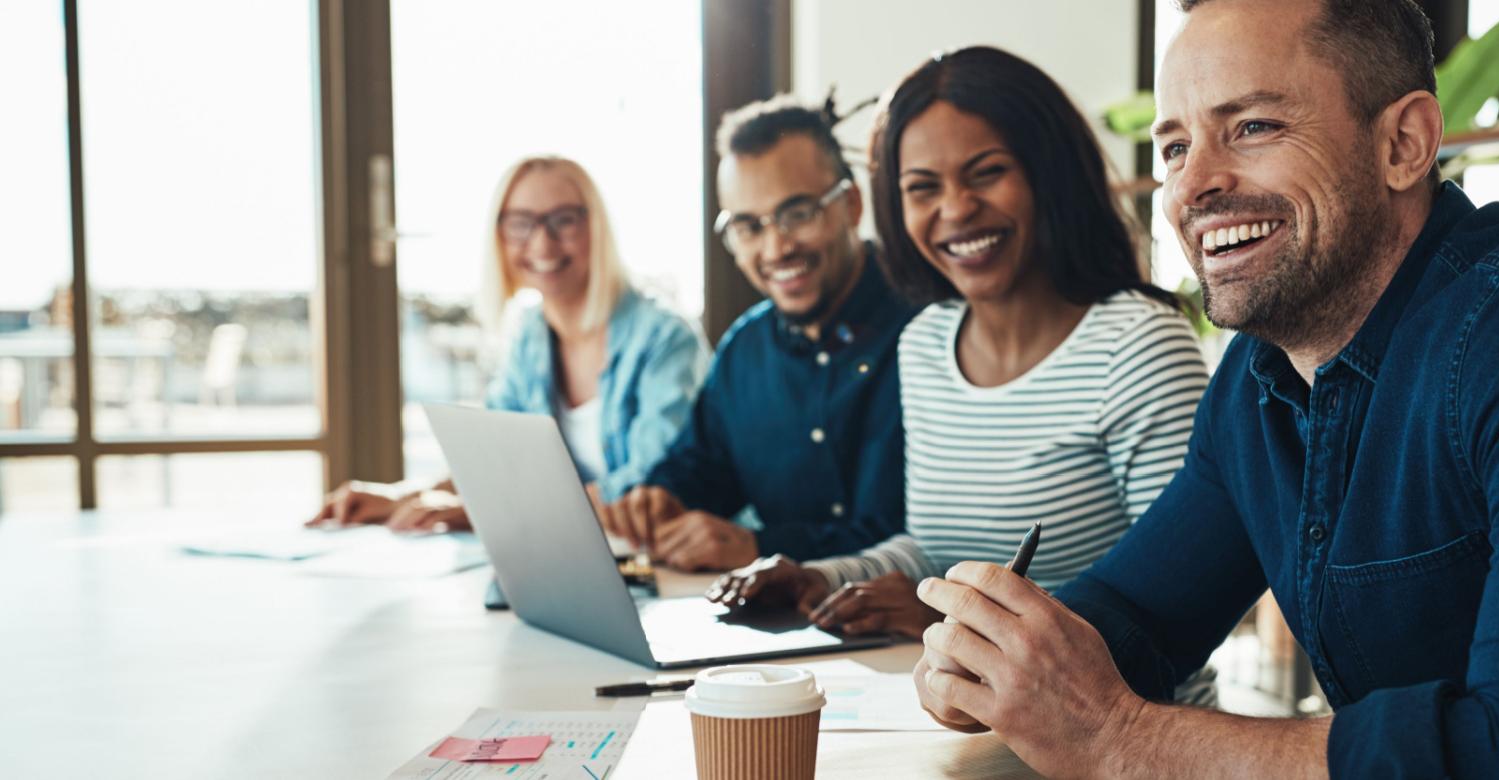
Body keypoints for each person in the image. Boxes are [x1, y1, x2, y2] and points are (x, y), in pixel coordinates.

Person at [908, 0, 1499, 777]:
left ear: (1404, 142)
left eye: (1252, 125)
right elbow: (1141, 615)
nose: (1194, 184)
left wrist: (1124, 740)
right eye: (1171, 147)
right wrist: (999, 653)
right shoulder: (1259, 376)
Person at [706, 48, 1211, 655]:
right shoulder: (925, 342)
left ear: (1047, 174)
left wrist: (955, 625)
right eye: (922, 188)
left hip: (1119, 735)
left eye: (986, 173)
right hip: (960, 716)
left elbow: (1182, 604)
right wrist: (821, 576)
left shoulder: (1138, 345)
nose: (955, 209)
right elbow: (931, 551)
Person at [595, 95, 919, 572]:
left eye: (798, 214)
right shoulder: (745, 349)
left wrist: (761, 546)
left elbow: (918, 537)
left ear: (850, 204)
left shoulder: (929, 332)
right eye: (748, 226)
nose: (776, 247)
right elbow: (704, 466)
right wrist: (662, 498)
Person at [308, 156, 705, 534]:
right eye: (521, 223)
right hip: (572, 556)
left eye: (563, 221)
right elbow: (496, 462)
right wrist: (401, 496)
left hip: (666, 560)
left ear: (596, 228)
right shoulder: (530, 336)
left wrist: (485, 512)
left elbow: (652, 486)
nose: (542, 244)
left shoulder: (664, 338)